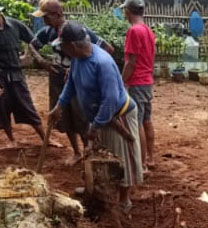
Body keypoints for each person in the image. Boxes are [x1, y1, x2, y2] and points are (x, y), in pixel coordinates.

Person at [48, 22, 143, 211]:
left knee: (122, 157)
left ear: (72, 45)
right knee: (96, 154)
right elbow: (72, 84)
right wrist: (59, 105)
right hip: (98, 116)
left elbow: (110, 99)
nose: (62, 49)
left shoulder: (102, 62)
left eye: (63, 45)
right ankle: (96, 189)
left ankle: (124, 199)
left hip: (118, 116)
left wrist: (96, 126)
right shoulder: (76, 59)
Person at [27, 0, 114, 165]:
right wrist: (42, 62)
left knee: (81, 117)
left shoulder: (77, 32)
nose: (44, 21)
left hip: (77, 81)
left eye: (46, 17)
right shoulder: (47, 32)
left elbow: (107, 49)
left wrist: (81, 66)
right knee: (64, 117)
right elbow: (32, 46)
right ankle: (76, 152)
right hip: (56, 79)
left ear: (58, 15)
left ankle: (89, 152)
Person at [0, 7, 61, 149]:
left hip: (16, 74)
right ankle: (11, 140)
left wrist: (29, 56)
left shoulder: (14, 25)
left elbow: (33, 41)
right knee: (2, 108)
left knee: (27, 105)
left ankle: (46, 139)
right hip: (1, 76)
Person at [121, 0, 156, 173]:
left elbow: (131, 63)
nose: (124, 14)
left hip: (137, 82)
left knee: (138, 122)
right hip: (148, 81)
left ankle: (141, 165)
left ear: (128, 11)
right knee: (147, 120)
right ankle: (150, 158)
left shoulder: (133, 31)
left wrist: (120, 82)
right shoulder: (148, 30)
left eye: (124, 11)